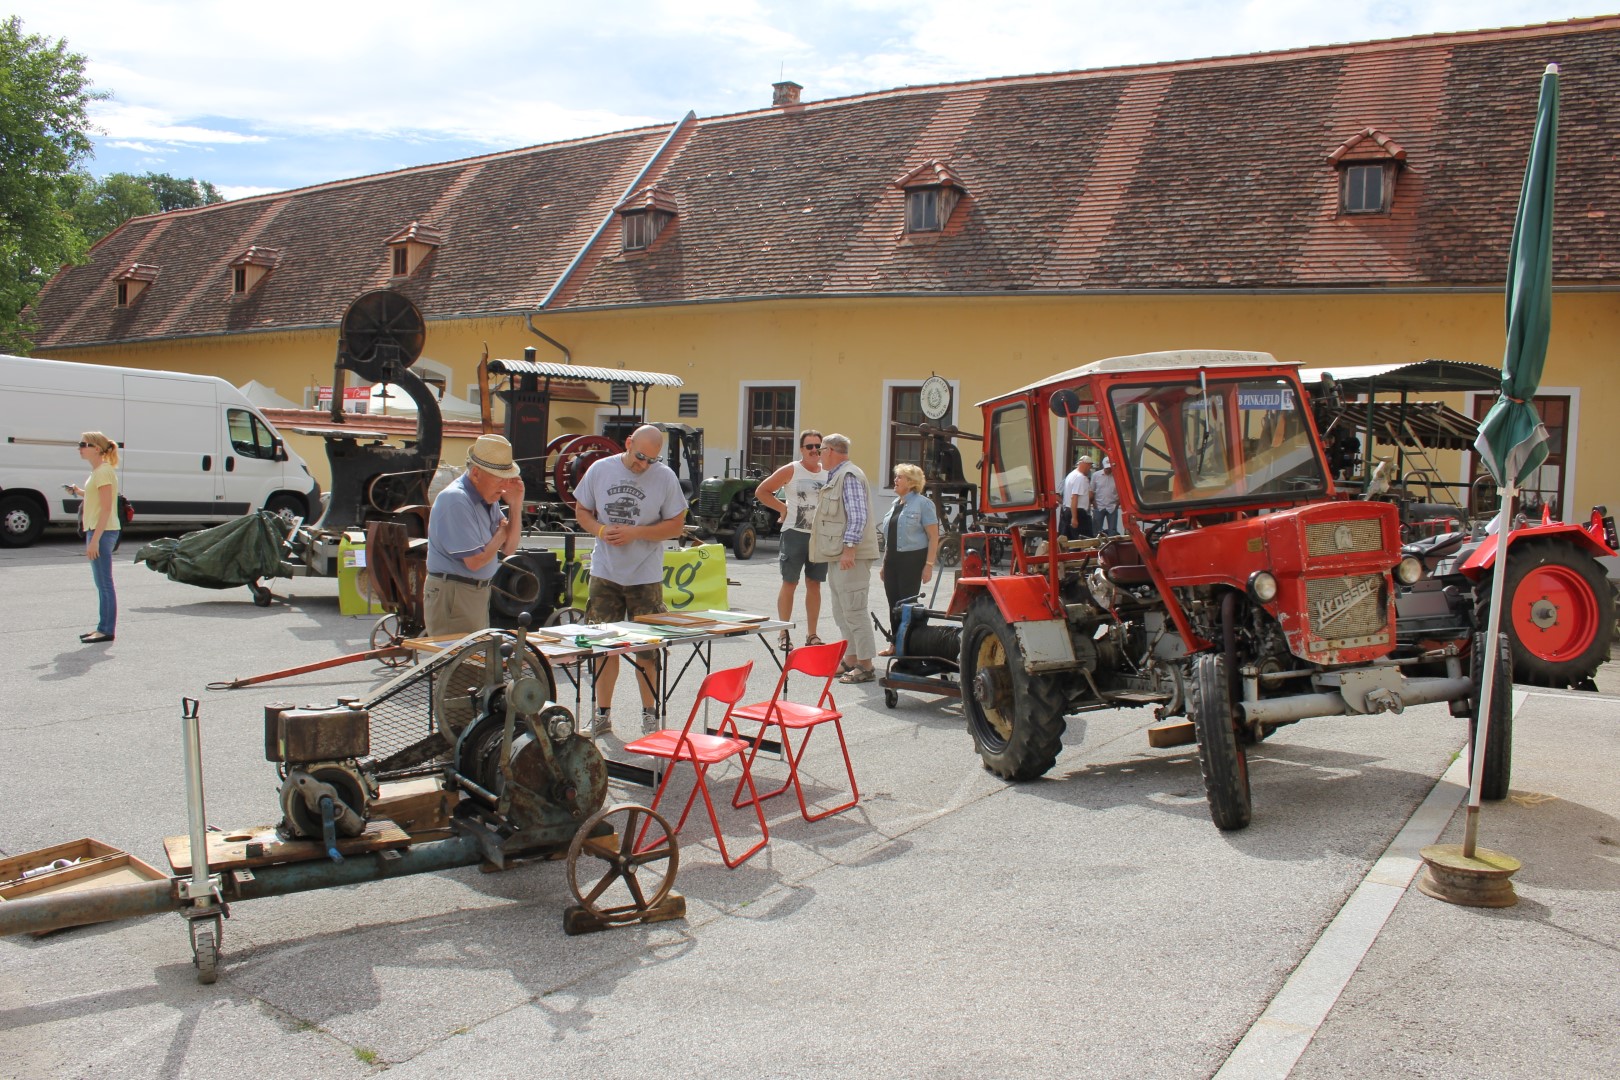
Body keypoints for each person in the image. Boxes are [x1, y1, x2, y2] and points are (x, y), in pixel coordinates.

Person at [574, 425, 690, 738]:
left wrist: (636, 532)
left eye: (651, 460)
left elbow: (676, 526)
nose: (643, 464)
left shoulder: (664, 476)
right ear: (628, 444)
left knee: (647, 650)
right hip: (605, 573)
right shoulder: (601, 469)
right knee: (602, 648)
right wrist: (599, 529)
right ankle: (602, 714)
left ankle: (649, 715)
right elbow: (582, 510)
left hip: (645, 576)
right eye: (640, 456)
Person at [424, 434, 525, 638]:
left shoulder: (488, 496)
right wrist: (500, 535)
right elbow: (475, 561)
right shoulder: (456, 500)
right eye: (499, 478)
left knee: (474, 664)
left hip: (473, 592)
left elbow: (510, 548)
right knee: (460, 665)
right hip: (454, 592)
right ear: (477, 473)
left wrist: (516, 504)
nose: (505, 486)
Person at [809, 433, 880, 683]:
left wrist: (850, 548)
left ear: (830, 451)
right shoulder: (838, 475)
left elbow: (857, 515)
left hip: (851, 555)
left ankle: (866, 665)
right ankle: (851, 659)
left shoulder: (848, 476)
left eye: (820, 450)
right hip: (840, 554)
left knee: (854, 609)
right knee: (841, 611)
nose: (817, 455)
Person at [754, 429, 827, 651]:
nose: (814, 450)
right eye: (809, 446)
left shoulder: (829, 473)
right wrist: (782, 507)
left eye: (818, 446)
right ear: (801, 450)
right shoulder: (791, 470)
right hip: (794, 533)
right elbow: (762, 491)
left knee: (814, 584)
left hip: (819, 536)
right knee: (790, 583)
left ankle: (812, 634)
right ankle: (783, 633)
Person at [876, 462, 940, 656]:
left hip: (912, 561)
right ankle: (895, 643)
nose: (895, 480)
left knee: (906, 605)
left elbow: (933, 536)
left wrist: (928, 565)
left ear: (911, 482)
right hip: (892, 561)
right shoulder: (896, 504)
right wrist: (884, 564)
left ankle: (909, 645)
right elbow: (891, 537)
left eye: (899, 477)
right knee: (892, 603)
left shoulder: (923, 504)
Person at [69, 432, 120, 643]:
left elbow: (107, 508)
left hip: (103, 531)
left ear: (96, 448)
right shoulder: (98, 472)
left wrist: (95, 540)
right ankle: (102, 627)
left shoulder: (103, 472)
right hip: (97, 530)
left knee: (104, 583)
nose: (79, 447)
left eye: (83, 444)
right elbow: (96, 497)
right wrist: (79, 491)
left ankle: (106, 630)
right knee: (101, 583)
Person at [1062, 455, 1094, 539]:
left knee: (1070, 539)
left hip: (1069, 510)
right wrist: (1074, 518)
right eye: (1089, 465)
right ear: (1084, 464)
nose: (1089, 468)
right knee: (1083, 540)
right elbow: (1074, 497)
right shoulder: (1080, 478)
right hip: (1078, 513)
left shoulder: (1071, 475)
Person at [1092, 455, 1120, 534]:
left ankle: (1112, 545)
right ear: (1103, 466)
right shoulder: (1096, 475)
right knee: (1096, 530)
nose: (1109, 470)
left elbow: (1120, 492)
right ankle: (1096, 545)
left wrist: (1117, 504)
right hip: (1099, 506)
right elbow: (1092, 490)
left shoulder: (1117, 476)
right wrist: (1094, 504)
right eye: (1107, 468)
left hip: (1112, 507)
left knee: (1112, 530)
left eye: (1110, 468)